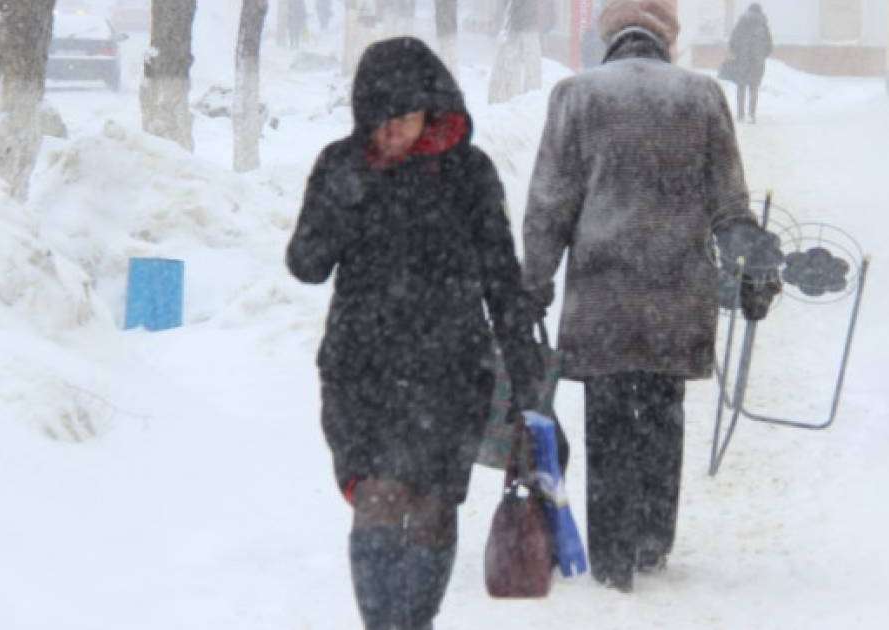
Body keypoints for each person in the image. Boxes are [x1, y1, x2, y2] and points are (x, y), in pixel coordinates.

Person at [522, 0, 780, 593]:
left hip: (602, 297)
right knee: (663, 415)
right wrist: (749, 262)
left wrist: (534, 284)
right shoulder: (702, 97)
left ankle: (611, 553)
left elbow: (548, 206)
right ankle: (652, 541)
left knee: (608, 418)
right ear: (669, 36)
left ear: (609, 34)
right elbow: (730, 207)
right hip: (675, 296)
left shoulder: (575, 97)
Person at [287, 37, 544, 630]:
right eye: (377, 124)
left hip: (450, 369)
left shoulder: (469, 173)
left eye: (402, 120)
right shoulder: (341, 164)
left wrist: (526, 376)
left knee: (432, 502)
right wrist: (338, 201)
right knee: (376, 494)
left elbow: (502, 279)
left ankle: (416, 621)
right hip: (361, 368)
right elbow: (305, 264)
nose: (390, 135)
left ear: (431, 110)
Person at [728, 3, 774, 123]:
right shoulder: (763, 25)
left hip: (742, 60)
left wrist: (737, 53)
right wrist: (762, 55)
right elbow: (769, 46)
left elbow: (733, 41)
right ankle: (752, 114)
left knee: (741, 87)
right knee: (754, 87)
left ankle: (740, 114)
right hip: (757, 62)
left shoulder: (741, 23)